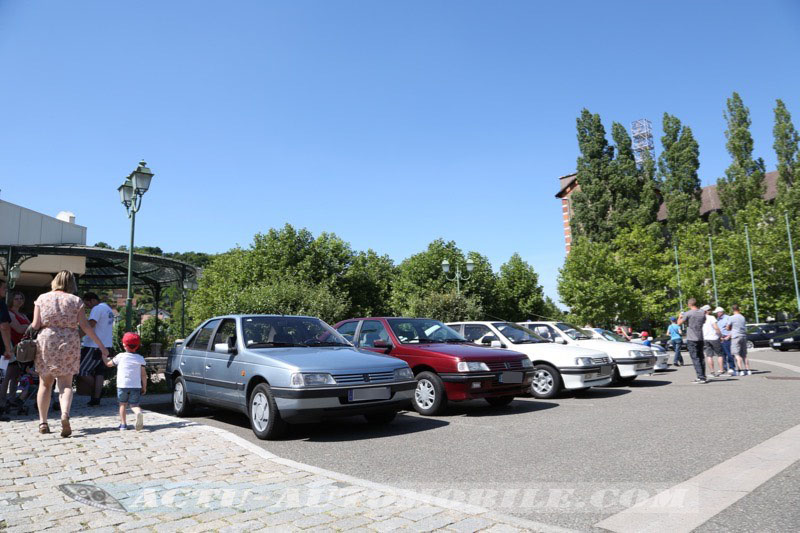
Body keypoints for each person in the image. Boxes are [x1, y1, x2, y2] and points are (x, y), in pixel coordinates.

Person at [31, 270, 109, 437]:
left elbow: (36, 324)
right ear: (71, 284)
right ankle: (65, 414)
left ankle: (43, 423)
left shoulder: (42, 298)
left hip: (47, 341)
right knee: (66, 384)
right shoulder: (76, 300)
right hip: (69, 341)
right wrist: (101, 346)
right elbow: (86, 327)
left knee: (45, 384)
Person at [104, 332, 146, 431]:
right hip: (136, 386)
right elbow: (143, 375)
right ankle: (138, 413)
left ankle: (123, 424)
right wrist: (144, 386)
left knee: (122, 404)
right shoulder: (140, 358)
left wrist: (104, 357)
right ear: (137, 346)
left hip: (122, 385)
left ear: (124, 345)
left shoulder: (120, 356)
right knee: (134, 405)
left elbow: (109, 364)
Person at [79, 292, 115, 407]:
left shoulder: (97, 308)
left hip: (94, 346)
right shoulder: (108, 308)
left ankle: (97, 390)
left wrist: (77, 335)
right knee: (99, 372)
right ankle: (96, 397)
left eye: (87, 303)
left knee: (82, 370)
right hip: (107, 345)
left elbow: (91, 324)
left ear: (93, 300)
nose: (88, 306)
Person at [0, 291, 30, 415]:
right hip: (10, 347)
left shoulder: (23, 314)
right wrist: (32, 326)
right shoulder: (10, 313)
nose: (18, 300)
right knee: (6, 376)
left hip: (22, 349)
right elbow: (19, 328)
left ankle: (12, 399)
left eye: (21, 298)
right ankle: (2, 402)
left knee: (16, 377)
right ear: (11, 300)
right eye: (16, 298)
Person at [677, 298, 707, 383]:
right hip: (700, 337)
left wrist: (680, 317)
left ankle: (700, 377)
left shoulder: (688, 313)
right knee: (701, 357)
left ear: (689, 304)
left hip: (691, 338)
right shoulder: (702, 312)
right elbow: (704, 321)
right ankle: (703, 376)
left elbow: (678, 323)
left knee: (695, 358)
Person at [0, 281, 13, 422]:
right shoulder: (1, 304)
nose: (5, 290)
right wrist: (8, 348)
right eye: (3, 288)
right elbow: (4, 326)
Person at [701, 305, 723, 377]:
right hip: (714, 337)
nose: (710, 311)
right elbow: (716, 328)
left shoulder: (701, 318)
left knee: (709, 355)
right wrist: (720, 336)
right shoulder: (711, 317)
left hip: (705, 338)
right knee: (719, 354)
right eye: (709, 310)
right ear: (707, 311)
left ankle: (712, 371)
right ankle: (721, 369)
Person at [729, 304, 750, 376]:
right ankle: (748, 370)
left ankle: (740, 370)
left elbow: (728, 327)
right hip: (743, 336)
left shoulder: (731, 317)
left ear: (732, 310)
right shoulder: (742, 317)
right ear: (739, 309)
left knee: (736, 354)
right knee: (744, 355)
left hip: (735, 336)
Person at [715, 307, 735, 375]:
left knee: (729, 354)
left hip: (727, 338)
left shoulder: (728, 318)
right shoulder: (718, 319)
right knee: (722, 354)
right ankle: (724, 368)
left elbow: (732, 328)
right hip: (720, 338)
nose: (716, 314)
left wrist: (729, 336)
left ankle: (732, 367)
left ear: (721, 312)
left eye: (717, 313)